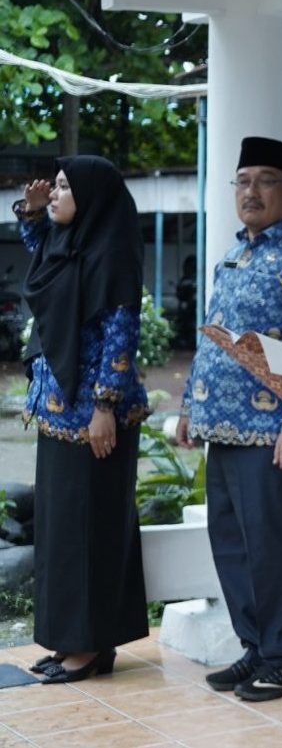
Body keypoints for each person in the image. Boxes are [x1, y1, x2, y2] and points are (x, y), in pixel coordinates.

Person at [175, 136, 282, 701]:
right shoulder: (232, 253)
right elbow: (214, 335)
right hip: (222, 425)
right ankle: (256, 648)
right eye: (242, 181)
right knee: (232, 542)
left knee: (274, 543)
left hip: (273, 434)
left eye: (265, 180)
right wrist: (191, 407)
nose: (251, 192)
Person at [14, 156, 150, 683]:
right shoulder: (69, 247)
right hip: (56, 415)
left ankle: (90, 645)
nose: (55, 195)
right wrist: (31, 213)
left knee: (92, 531)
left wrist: (104, 408)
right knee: (63, 533)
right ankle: (72, 640)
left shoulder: (112, 255)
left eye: (66, 187)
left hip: (96, 418)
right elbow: (42, 255)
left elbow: (121, 336)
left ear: (92, 198)